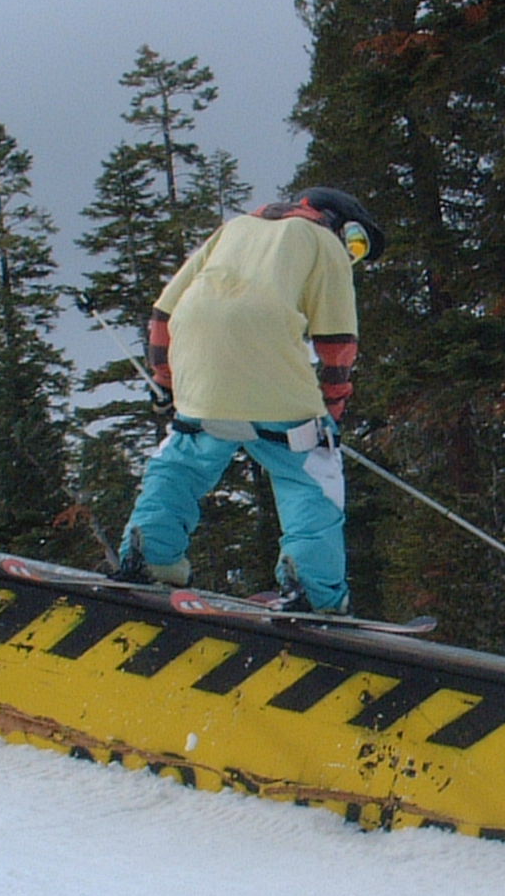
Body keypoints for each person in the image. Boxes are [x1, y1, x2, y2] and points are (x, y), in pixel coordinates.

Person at [115, 187, 385, 612]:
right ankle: (314, 592)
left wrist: (168, 382)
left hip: (201, 368)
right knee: (309, 471)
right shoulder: (324, 243)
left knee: (184, 457)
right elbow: (337, 341)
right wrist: (331, 412)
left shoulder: (233, 229)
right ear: (340, 223)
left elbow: (164, 313)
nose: (352, 255)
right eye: (357, 244)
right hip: (272, 369)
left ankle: (150, 555)